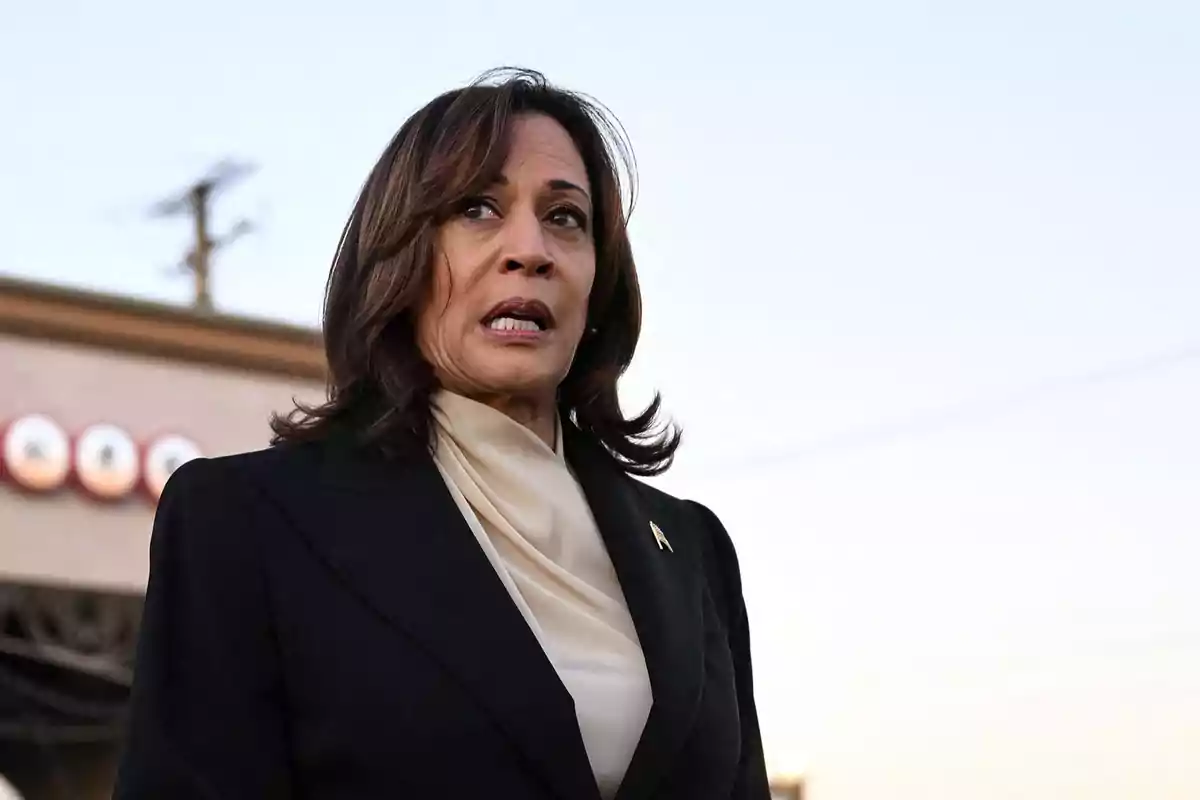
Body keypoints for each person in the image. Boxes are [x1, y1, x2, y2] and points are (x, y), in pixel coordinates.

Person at [114, 68, 770, 800]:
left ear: (599, 282)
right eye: (478, 209)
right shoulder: (244, 521)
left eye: (565, 218)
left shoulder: (695, 551)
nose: (531, 249)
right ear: (400, 260)